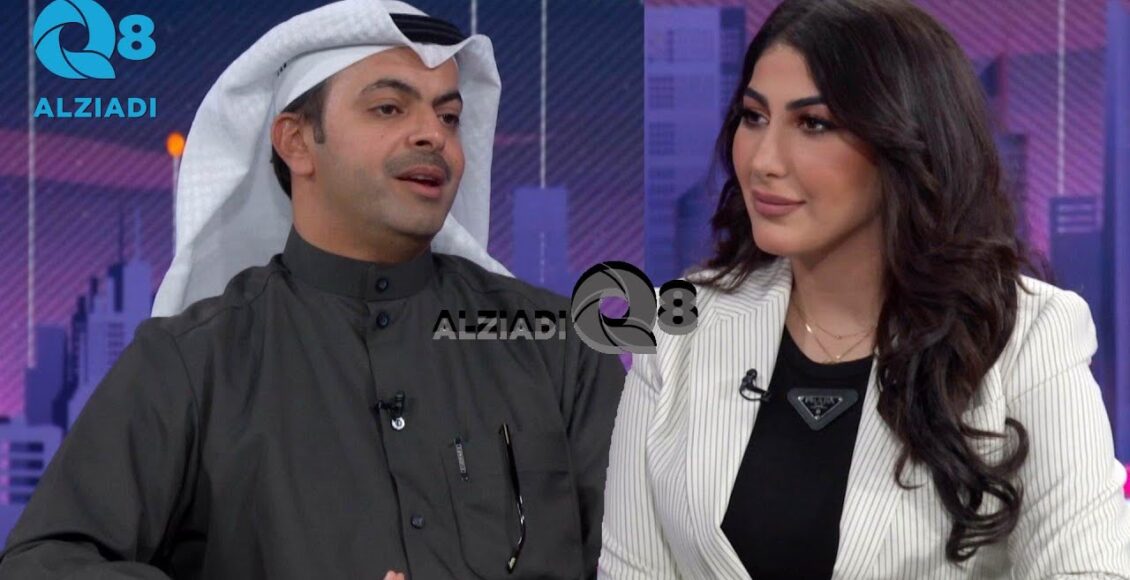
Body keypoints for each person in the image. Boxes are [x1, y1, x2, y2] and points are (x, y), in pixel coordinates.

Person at [0, 1, 625, 578]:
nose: (432, 135)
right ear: (297, 142)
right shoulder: (193, 363)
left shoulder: (558, 349)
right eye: (389, 108)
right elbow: (44, 563)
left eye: (448, 115)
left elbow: (645, 557)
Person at [598, 0, 1130, 578]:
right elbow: (632, 569)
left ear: (905, 142)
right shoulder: (680, 326)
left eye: (813, 124)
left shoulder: (1026, 335)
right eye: (753, 116)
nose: (763, 161)